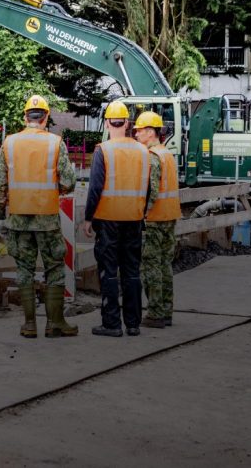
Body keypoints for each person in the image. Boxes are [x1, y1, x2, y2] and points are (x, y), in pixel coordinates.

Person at [0, 95, 78, 338]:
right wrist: (58, 189)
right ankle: (55, 324)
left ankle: (29, 325)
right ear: (47, 118)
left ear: (25, 116)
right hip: (47, 219)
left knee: (24, 269)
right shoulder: (55, 143)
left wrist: (0, 215)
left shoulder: (9, 143)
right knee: (54, 269)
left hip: (18, 219)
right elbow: (68, 181)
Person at [83, 101, 158, 337]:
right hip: (134, 220)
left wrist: (88, 218)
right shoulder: (143, 151)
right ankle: (133, 324)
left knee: (109, 272)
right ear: (127, 123)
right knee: (132, 272)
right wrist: (141, 211)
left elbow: (95, 188)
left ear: (107, 123)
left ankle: (112, 324)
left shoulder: (103, 150)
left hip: (107, 220)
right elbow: (148, 188)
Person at [133, 111, 181, 329]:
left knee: (150, 267)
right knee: (164, 265)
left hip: (154, 219)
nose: (136, 134)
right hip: (170, 216)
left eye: (139, 131)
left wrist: (141, 214)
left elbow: (150, 190)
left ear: (151, 132)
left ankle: (154, 313)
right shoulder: (167, 154)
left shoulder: (152, 156)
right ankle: (166, 310)